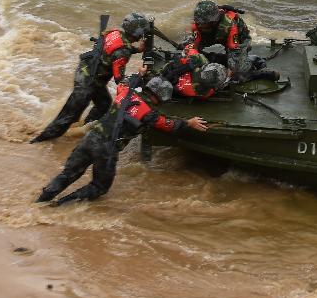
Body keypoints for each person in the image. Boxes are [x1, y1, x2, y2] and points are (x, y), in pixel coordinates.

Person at [35, 74, 207, 205]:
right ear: (159, 97)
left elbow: (124, 82)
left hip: (90, 137)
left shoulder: (125, 93)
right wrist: (188, 123)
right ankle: (61, 204)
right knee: (99, 187)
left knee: (67, 175)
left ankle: (40, 202)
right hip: (107, 150)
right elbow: (168, 125)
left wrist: (139, 75)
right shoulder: (148, 113)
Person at [30, 13, 150, 143]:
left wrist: (137, 50)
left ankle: (85, 128)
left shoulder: (116, 33)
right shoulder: (123, 51)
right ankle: (40, 140)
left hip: (86, 72)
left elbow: (114, 50)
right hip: (88, 83)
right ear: (137, 33)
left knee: (103, 105)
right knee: (67, 117)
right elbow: (119, 79)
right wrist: (139, 75)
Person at [185, 0, 278, 83]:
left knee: (237, 71)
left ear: (213, 21)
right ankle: (217, 58)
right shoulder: (200, 24)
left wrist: (230, 71)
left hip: (239, 36)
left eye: (203, 23)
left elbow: (234, 50)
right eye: (198, 22)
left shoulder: (229, 26)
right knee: (192, 57)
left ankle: (253, 60)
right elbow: (193, 46)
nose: (200, 25)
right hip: (212, 34)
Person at [161, 44, 229, 99]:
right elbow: (191, 48)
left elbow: (172, 85)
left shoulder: (188, 88)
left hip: (183, 80)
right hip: (190, 71)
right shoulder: (203, 60)